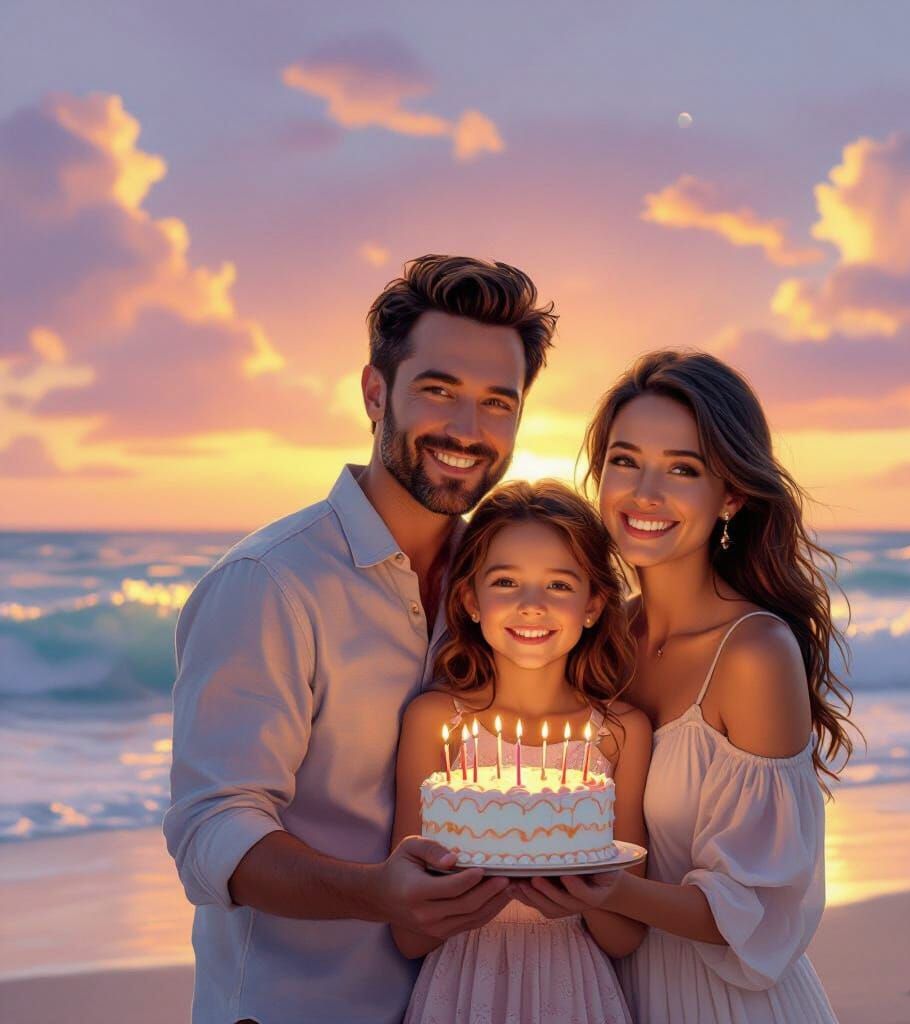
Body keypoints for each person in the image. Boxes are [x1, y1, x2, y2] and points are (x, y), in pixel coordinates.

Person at [162, 255, 557, 1024]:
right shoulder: (268, 583)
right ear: (376, 394)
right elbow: (213, 831)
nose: (468, 429)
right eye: (439, 390)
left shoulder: (505, 592)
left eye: (497, 403)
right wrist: (375, 892)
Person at [522, 350, 854, 1022]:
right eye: (625, 460)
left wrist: (606, 889)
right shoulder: (602, 639)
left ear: (731, 495)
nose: (645, 493)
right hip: (611, 997)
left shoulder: (754, 654)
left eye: (682, 469)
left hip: (726, 1004)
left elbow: (758, 910)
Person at [393, 480, 652, 1023]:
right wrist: (474, 890)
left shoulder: (621, 732)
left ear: (593, 604)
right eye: (506, 581)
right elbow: (408, 933)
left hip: (574, 988)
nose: (531, 606)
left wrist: (587, 895)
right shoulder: (435, 721)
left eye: (558, 584)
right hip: (462, 985)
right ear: (471, 600)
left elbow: (624, 936)